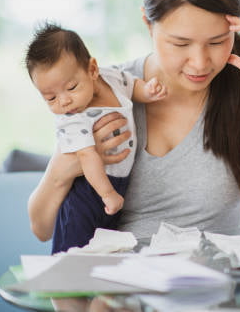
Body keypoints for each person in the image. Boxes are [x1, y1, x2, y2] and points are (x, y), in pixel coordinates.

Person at [28, 0, 240, 245]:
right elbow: (42, 229)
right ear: (147, 24)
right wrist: (63, 170)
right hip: (115, 283)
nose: (200, 62)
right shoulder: (106, 90)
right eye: (181, 43)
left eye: (218, 41)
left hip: (212, 282)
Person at [25, 23, 167, 253]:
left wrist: (148, 92)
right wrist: (108, 194)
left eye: (71, 87)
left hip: (117, 183)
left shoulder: (110, 77)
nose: (64, 102)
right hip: (88, 191)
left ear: (92, 70)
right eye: (50, 98)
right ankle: (66, 285)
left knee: (105, 249)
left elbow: (131, 85)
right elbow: (87, 156)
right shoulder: (73, 119)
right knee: (75, 251)